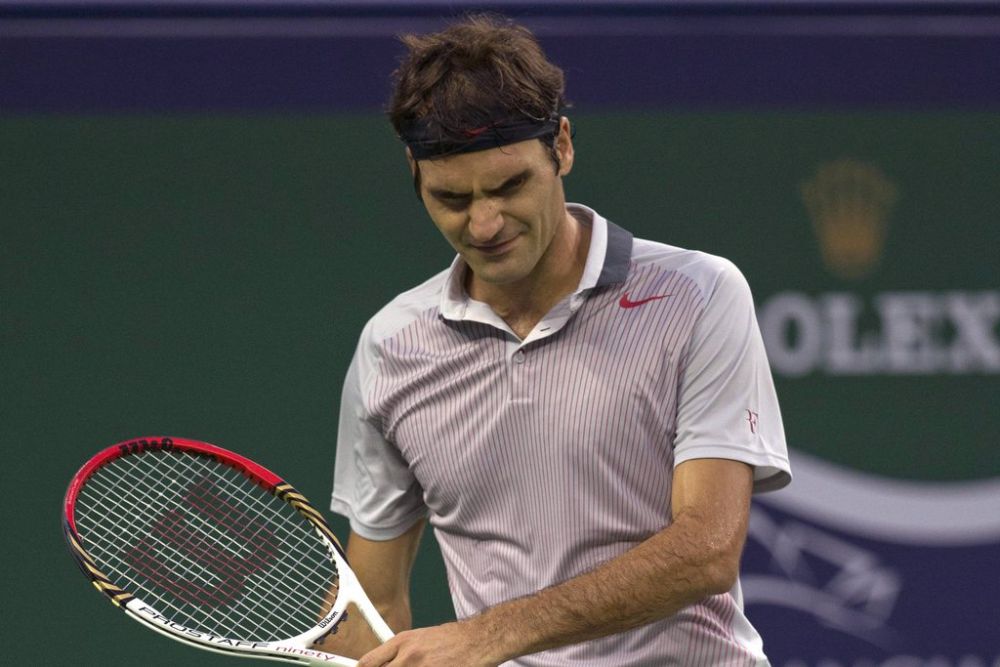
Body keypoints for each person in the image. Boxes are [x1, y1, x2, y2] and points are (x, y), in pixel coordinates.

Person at [323, 14, 791, 667]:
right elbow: (372, 604)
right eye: (452, 198)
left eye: (510, 186)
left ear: (562, 147)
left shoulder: (698, 294)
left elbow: (707, 548)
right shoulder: (391, 346)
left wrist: (488, 635)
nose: (484, 223)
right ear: (415, 173)